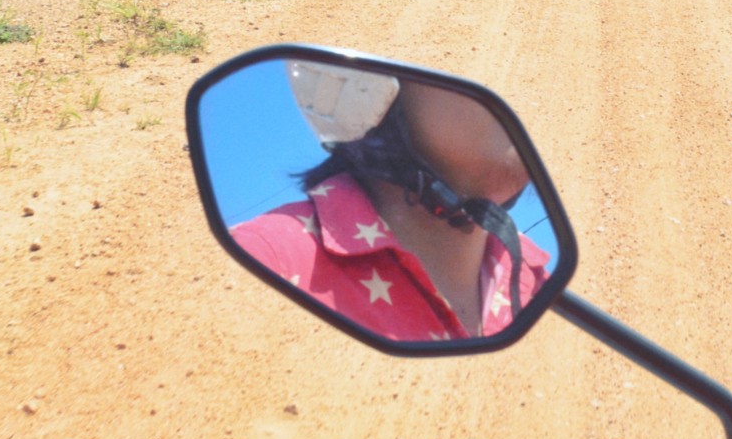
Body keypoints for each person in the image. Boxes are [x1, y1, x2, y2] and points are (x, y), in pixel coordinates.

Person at [231, 62, 551, 341]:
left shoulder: (538, 281)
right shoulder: (262, 262)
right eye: (476, 56)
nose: (529, 82)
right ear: (365, 85)